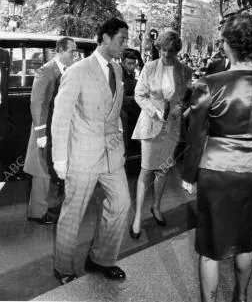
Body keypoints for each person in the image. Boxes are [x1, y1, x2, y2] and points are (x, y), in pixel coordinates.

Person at [182, 13, 252, 302]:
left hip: (216, 171)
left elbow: (196, 135)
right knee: (244, 239)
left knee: (210, 247)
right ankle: (242, 297)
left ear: (229, 45)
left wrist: (189, 176)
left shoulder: (209, 84)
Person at [51, 18, 131, 285]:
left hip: (111, 155)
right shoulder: (77, 71)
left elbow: (115, 111)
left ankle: (100, 259)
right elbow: (60, 117)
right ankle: (63, 267)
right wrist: (60, 159)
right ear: (106, 38)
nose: (126, 44)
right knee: (74, 212)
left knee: (121, 203)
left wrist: (116, 135)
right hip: (83, 155)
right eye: (122, 39)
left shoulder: (117, 72)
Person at [130, 30, 193, 239]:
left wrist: (179, 107)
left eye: (171, 51)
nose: (166, 54)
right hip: (150, 124)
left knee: (163, 170)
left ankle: (156, 207)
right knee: (146, 170)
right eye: (164, 50)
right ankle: (137, 216)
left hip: (171, 128)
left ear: (177, 51)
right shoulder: (149, 67)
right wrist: (154, 110)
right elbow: (139, 95)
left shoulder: (185, 71)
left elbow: (185, 97)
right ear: (159, 48)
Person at [24, 37, 77, 224]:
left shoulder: (67, 71)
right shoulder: (45, 71)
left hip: (58, 128)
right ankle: (37, 213)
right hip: (44, 128)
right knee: (41, 171)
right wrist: (40, 133)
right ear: (60, 51)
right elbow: (37, 103)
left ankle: (49, 205)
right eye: (71, 51)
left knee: (51, 168)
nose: (74, 54)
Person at [120, 49, 141, 155]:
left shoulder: (131, 74)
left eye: (134, 64)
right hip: (120, 106)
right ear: (123, 62)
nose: (132, 66)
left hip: (130, 105)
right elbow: (121, 98)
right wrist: (135, 97)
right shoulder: (119, 73)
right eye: (129, 63)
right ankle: (127, 147)